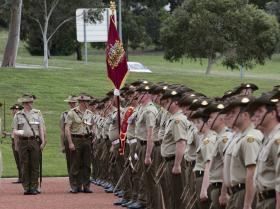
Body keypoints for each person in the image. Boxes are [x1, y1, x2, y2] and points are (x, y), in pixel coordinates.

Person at [226, 96, 263, 209]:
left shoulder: (249, 139)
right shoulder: (241, 137)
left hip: (244, 193)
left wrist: (247, 203)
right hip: (237, 193)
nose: (229, 115)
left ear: (245, 115)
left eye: (233, 112)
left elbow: (252, 173)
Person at [249, 92, 280, 209]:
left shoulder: (277, 140)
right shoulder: (267, 139)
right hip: (263, 200)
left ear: (272, 114)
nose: (255, 115)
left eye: (260, 111)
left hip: (272, 201)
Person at [12, 94, 46, 195]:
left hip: (34, 141)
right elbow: (15, 130)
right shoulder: (18, 115)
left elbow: (41, 128)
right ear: (24, 103)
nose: (30, 104)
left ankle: (34, 187)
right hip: (22, 142)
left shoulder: (37, 113)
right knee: (24, 164)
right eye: (28, 102)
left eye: (31, 102)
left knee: (35, 165)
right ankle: (26, 187)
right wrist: (16, 144)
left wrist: (43, 141)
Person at [65, 93, 94, 193]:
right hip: (76, 139)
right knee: (75, 163)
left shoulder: (90, 113)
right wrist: (70, 143)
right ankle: (75, 185)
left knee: (86, 163)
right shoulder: (72, 113)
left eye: (87, 101)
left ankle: (86, 185)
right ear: (81, 102)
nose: (87, 103)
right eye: (85, 101)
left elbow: (92, 127)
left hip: (87, 139)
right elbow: (67, 128)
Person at [59, 95, 77, 191]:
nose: (72, 104)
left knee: (81, 162)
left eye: (73, 102)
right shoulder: (65, 114)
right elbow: (62, 131)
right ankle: (73, 185)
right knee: (71, 163)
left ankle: (81, 183)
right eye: (70, 103)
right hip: (69, 140)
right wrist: (62, 144)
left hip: (80, 139)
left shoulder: (83, 113)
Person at [10, 104, 23, 184]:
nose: (13, 111)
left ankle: (23, 177)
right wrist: (8, 134)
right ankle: (20, 177)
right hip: (14, 140)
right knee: (17, 160)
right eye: (13, 109)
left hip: (19, 141)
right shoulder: (15, 119)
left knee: (21, 160)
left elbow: (22, 132)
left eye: (15, 109)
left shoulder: (20, 119)